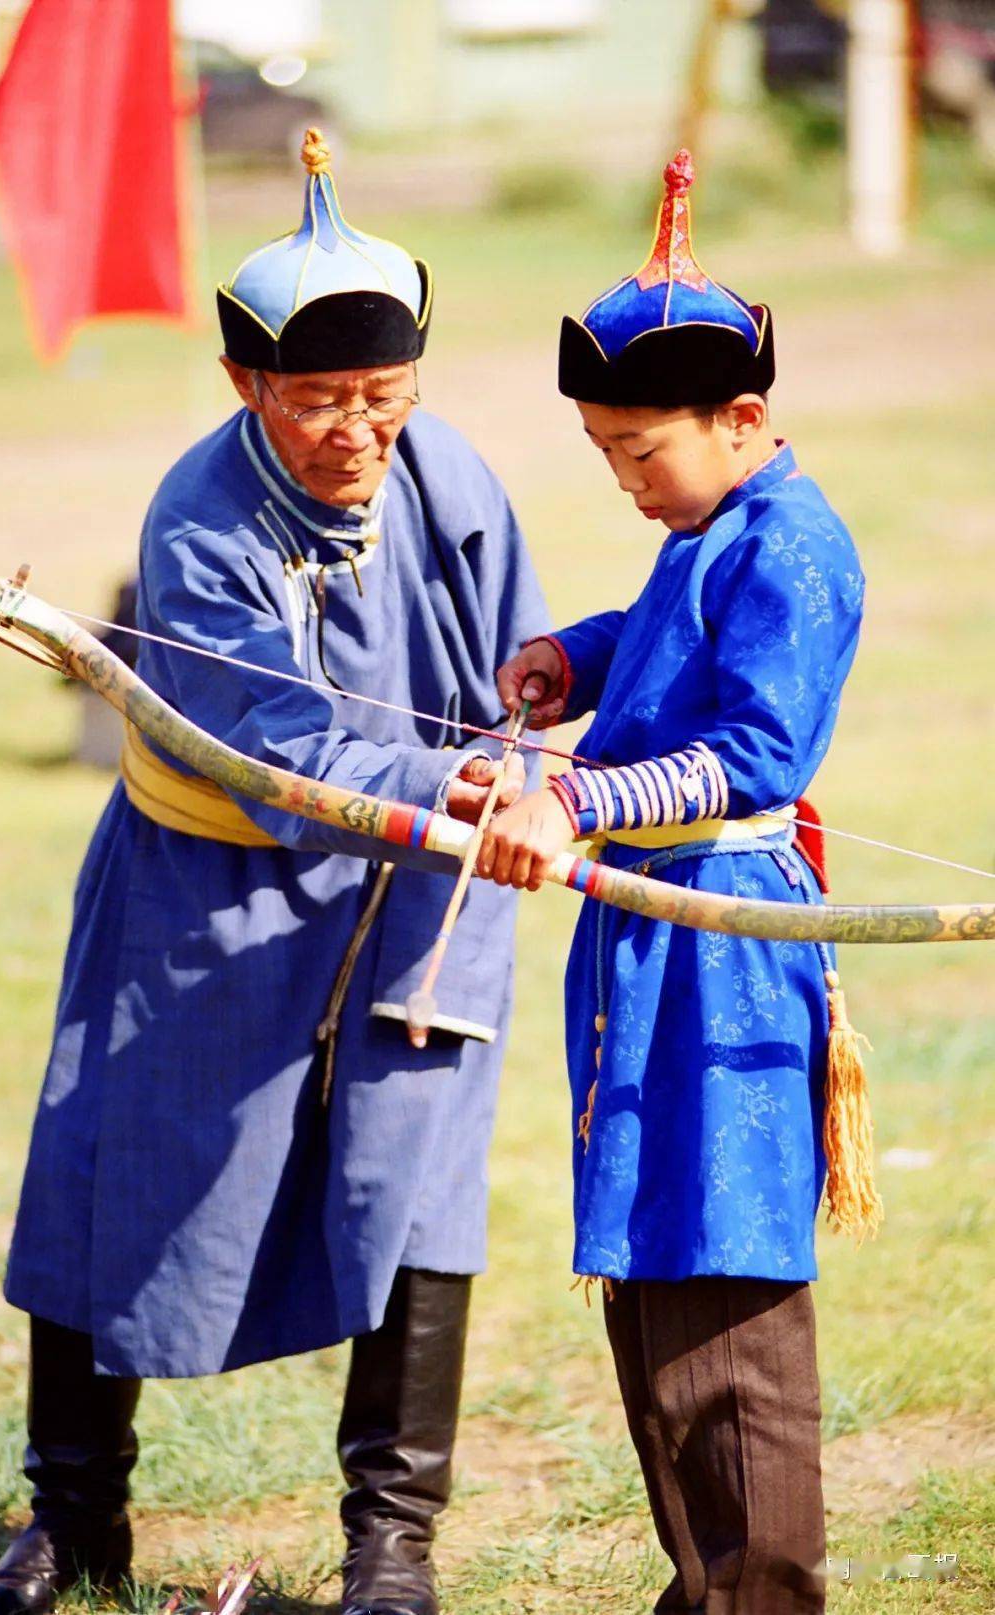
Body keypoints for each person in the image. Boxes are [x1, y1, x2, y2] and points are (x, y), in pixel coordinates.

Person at [0, 131, 547, 1615]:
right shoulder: (198, 518)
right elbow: (276, 749)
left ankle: (389, 1555)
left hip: (426, 894)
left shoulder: (449, 467)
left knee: (416, 1202)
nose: (358, 432)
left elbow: (519, 679)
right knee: (106, 1175)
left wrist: (519, 761)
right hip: (206, 895)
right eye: (320, 401)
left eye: (384, 401)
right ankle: (72, 1531)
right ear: (246, 386)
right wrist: (447, 781)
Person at [478, 150, 877, 1612]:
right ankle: (703, 1589)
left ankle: (760, 1595)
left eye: (642, 451)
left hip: (723, 956)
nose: (626, 478)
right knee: (654, 1283)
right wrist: (566, 663)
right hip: (647, 954)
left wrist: (575, 799)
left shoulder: (802, 546)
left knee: (726, 1292)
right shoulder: (713, 529)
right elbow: (659, 628)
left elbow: (751, 755)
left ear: (747, 416)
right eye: (604, 452)